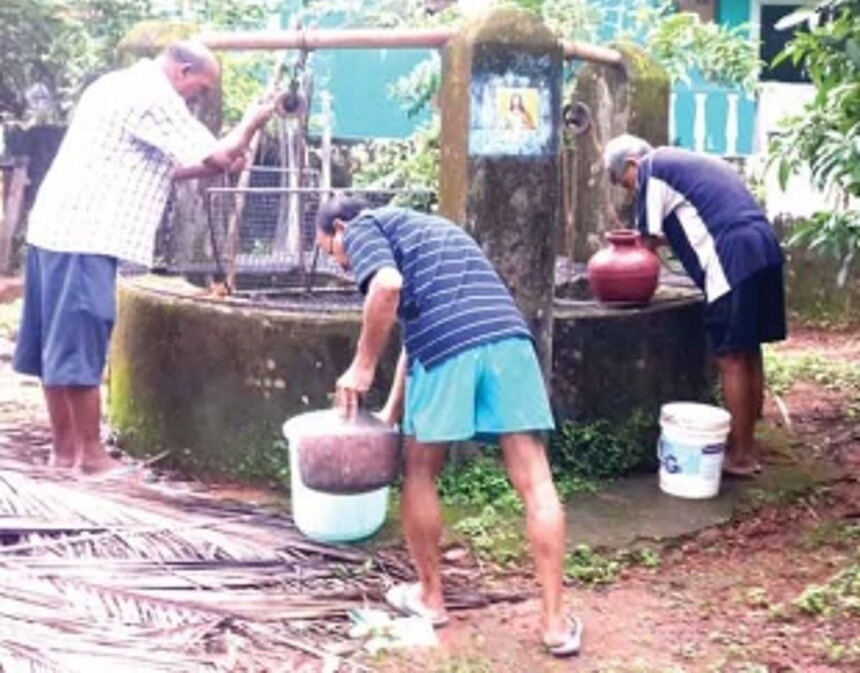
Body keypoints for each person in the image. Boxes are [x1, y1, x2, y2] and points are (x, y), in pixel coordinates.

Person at [315, 196, 583, 658]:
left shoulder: (363, 227)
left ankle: (430, 597)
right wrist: (390, 415)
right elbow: (415, 340)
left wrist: (361, 367)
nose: (340, 264)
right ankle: (556, 624)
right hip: (507, 341)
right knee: (536, 480)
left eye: (330, 251)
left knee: (420, 470)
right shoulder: (425, 231)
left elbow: (386, 286)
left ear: (339, 227)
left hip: (450, 349)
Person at [13, 41, 275, 476]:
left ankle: (64, 455)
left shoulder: (114, 85)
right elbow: (219, 153)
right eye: (201, 87)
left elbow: (155, 166)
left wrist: (213, 164)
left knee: (55, 349)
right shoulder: (154, 95)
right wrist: (251, 122)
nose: (199, 96)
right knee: (80, 346)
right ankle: (92, 459)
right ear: (183, 70)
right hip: (85, 233)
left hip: (55, 228)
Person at [602, 134, 787, 477]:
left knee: (730, 357)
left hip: (732, 256)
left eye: (624, 183)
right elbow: (690, 223)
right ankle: (748, 442)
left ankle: (741, 456)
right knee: (749, 349)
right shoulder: (684, 163)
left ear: (632, 164)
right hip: (763, 246)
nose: (630, 192)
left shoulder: (652, 169)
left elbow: (644, 245)